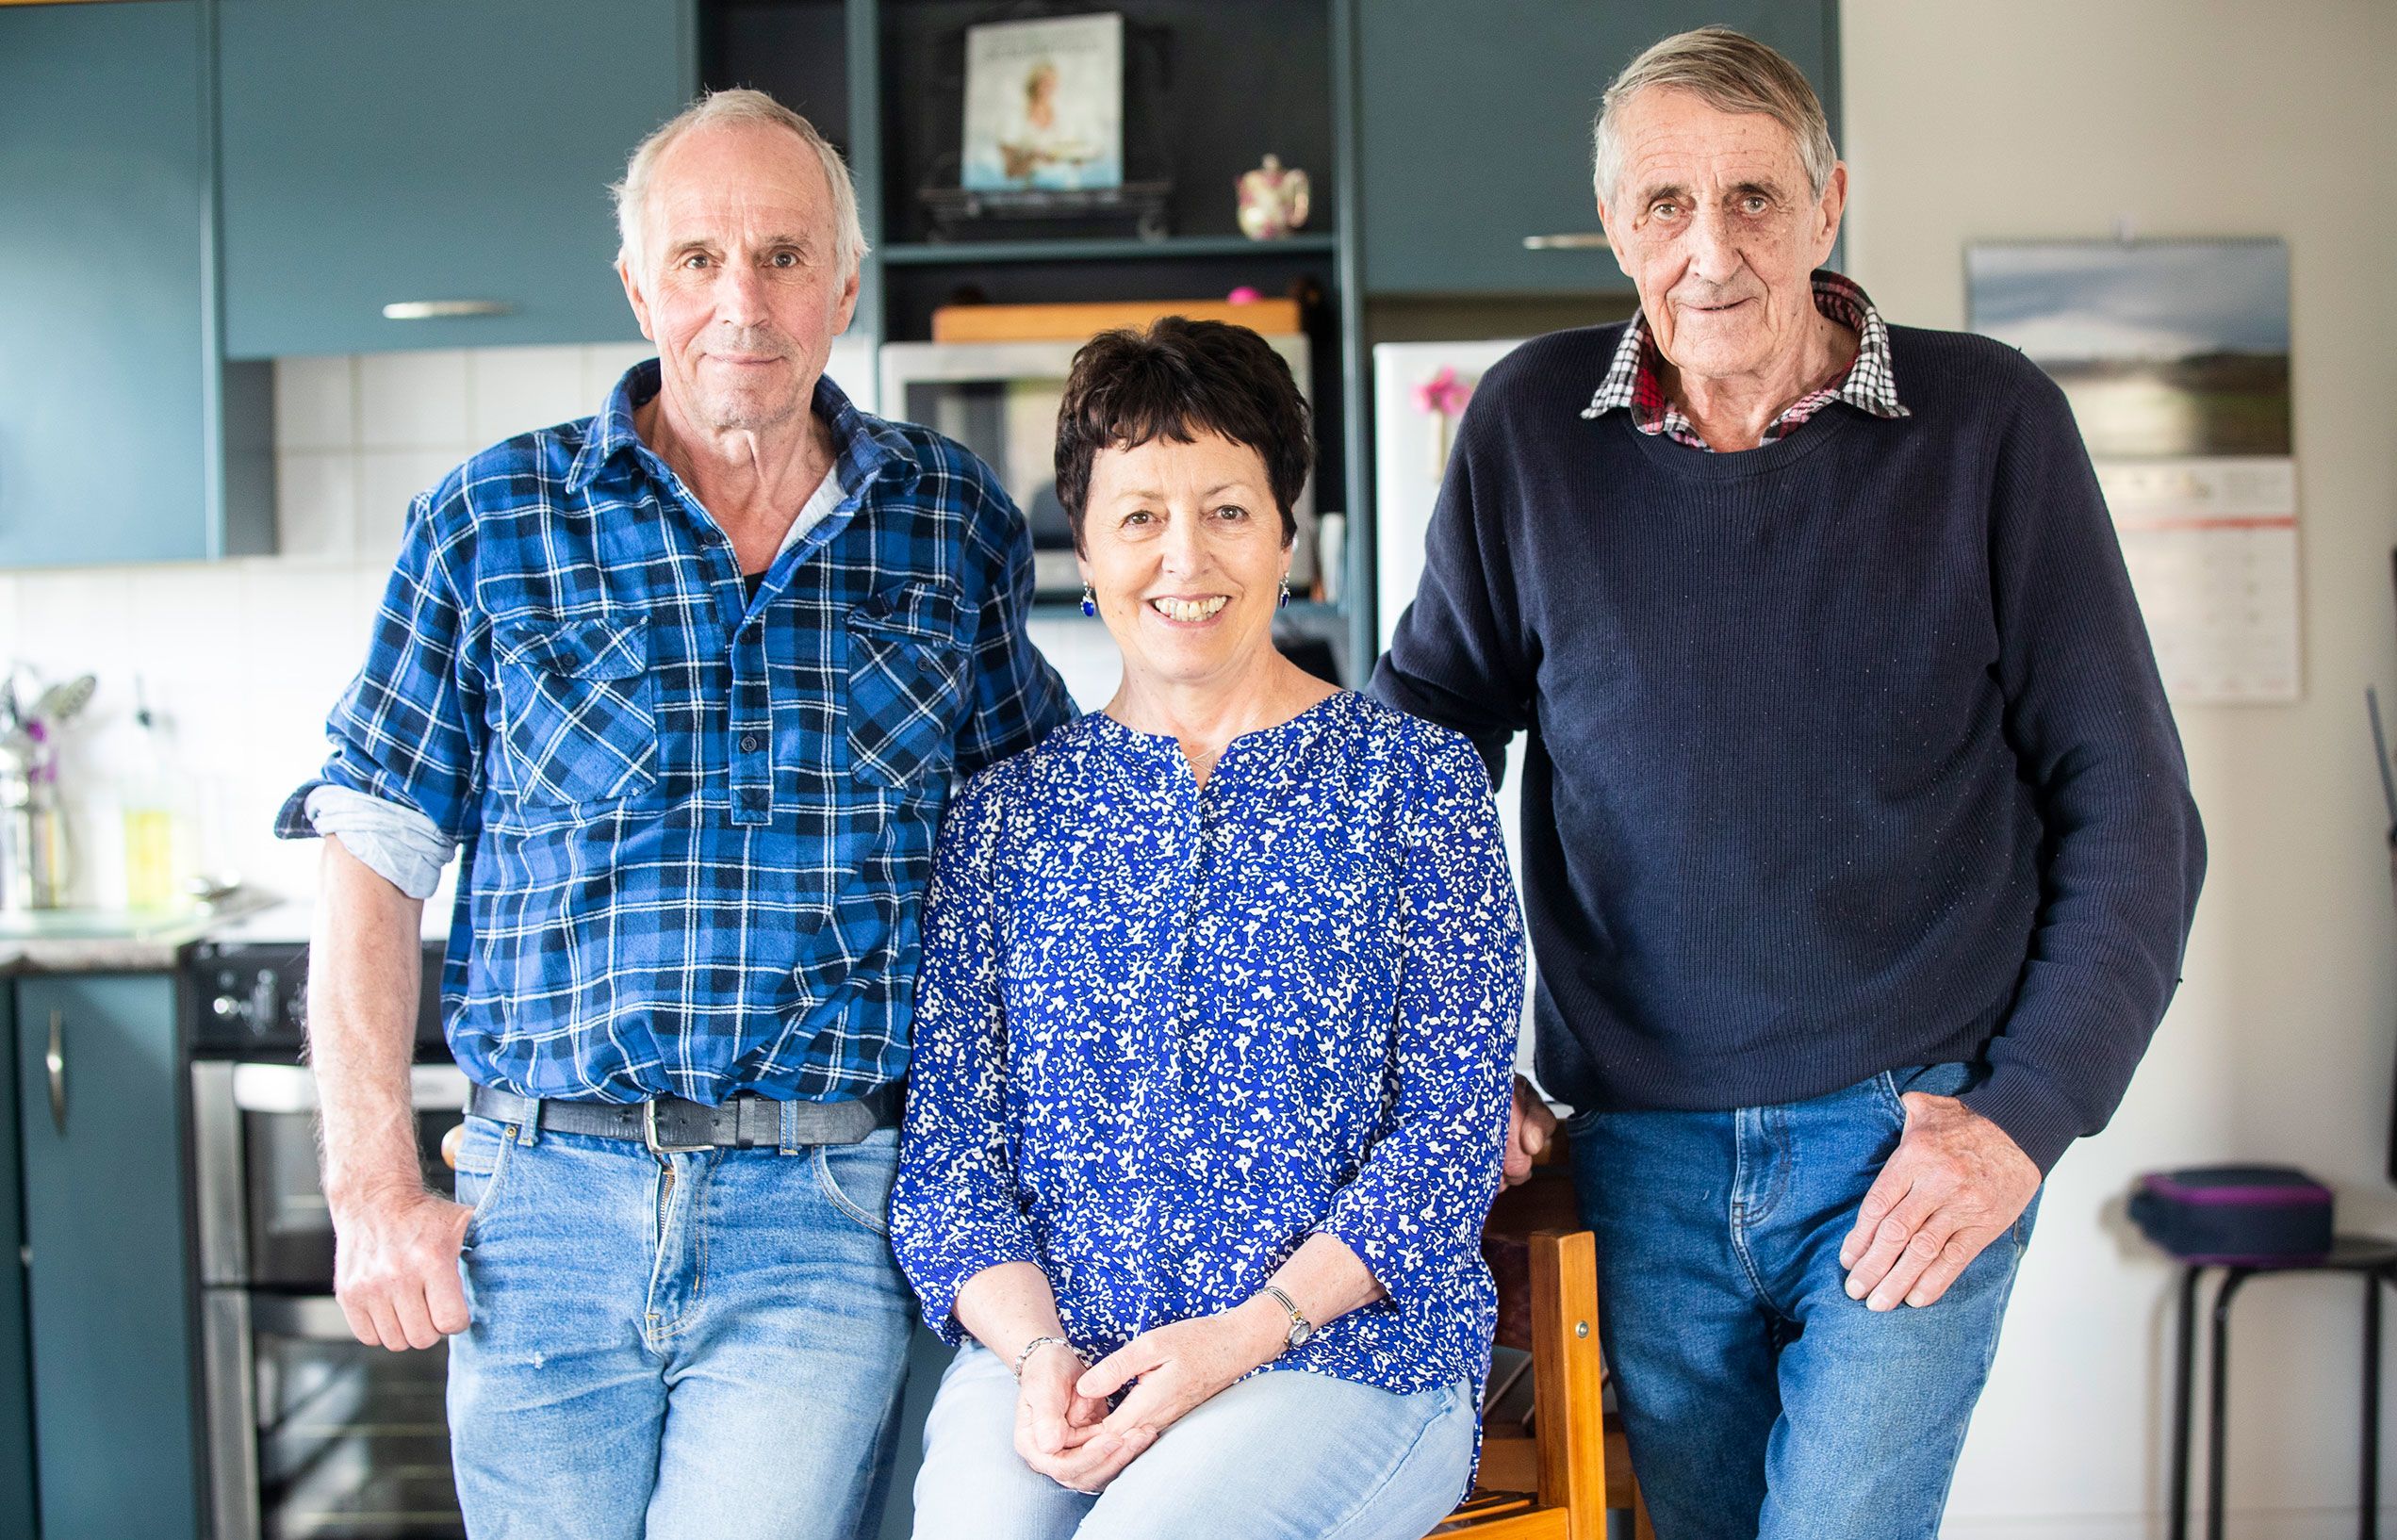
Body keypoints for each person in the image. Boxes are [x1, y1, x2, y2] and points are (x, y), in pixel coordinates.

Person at [1372, 26, 2208, 1540]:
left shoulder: (1989, 423)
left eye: (1754, 198)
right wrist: (1436, 1054)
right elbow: (1413, 764)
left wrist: (2023, 1114)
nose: (1710, 251)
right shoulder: (1527, 432)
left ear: (1829, 206)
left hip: (1908, 1133)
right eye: (1664, 206)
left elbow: (2135, 806)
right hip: (1633, 1139)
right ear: (1614, 224)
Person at [275, 89, 1072, 1540]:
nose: (740, 301)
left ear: (843, 283)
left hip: (822, 1210)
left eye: (780, 255)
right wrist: (372, 1187)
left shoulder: (953, 523)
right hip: (540, 1208)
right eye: (697, 259)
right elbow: (375, 852)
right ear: (640, 285)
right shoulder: (492, 519)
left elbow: (1049, 851)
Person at [890, 317, 1524, 1540]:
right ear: (1085, 546)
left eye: (1229, 508)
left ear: (1289, 531)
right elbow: (951, 1170)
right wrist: (1034, 1360)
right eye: (1140, 516)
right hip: (1061, 1352)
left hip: (1340, 1355)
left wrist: (1249, 1333)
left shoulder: (1416, 785)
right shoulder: (1005, 815)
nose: (1186, 555)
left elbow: (1448, 1136)